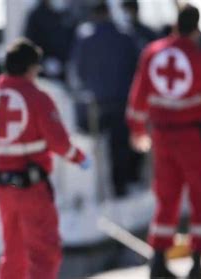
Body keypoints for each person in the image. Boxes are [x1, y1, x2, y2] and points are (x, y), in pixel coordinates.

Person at [125, 4, 201, 278]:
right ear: (197, 27)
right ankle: (197, 262)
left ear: (176, 24)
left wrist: (137, 130)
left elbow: (137, 99)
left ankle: (158, 260)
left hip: (162, 137)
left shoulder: (152, 53)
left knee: (166, 198)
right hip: (191, 137)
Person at [0, 38, 90, 279]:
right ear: (31, 67)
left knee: (14, 251)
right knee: (43, 251)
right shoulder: (38, 98)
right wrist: (79, 158)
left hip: (2, 187)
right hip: (32, 188)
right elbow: (59, 143)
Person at [70, 1, 141, 198]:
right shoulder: (125, 35)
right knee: (120, 148)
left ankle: (98, 192)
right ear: (109, 12)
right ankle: (120, 189)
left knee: (96, 148)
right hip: (121, 101)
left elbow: (79, 70)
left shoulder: (84, 36)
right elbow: (136, 67)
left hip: (95, 105)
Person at [24, 0, 77, 81]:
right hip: (42, 74)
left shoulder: (67, 14)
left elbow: (73, 41)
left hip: (64, 74)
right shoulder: (36, 15)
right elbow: (29, 44)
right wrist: (43, 62)